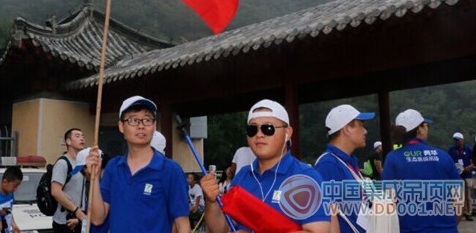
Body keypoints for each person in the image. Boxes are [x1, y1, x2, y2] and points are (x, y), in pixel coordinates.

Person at [200, 99, 330, 233]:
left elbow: (318, 231)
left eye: (268, 128)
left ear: (287, 133)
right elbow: (222, 229)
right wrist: (211, 201)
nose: (259, 135)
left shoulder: (305, 177)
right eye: (252, 129)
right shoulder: (243, 176)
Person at [86, 95, 191, 233]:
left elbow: (183, 225)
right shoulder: (113, 167)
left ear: (154, 126)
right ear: (121, 126)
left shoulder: (170, 169)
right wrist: (94, 176)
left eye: (147, 120)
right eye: (133, 120)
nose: (141, 126)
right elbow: (97, 219)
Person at [382, 109, 462, 233]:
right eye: (426, 125)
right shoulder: (443, 156)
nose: (427, 129)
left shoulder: (393, 159)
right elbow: (459, 201)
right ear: (419, 129)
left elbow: (389, 202)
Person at [314, 104, 375, 233]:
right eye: (361, 125)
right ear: (346, 129)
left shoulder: (347, 162)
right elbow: (327, 216)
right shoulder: (328, 166)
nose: (365, 131)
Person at [51, 128, 87, 232]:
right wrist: (76, 210)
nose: (82, 138)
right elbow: (55, 191)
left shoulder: (81, 163)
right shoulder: (63, 163)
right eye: (77, 136)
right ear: (68, 141)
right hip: (65, 221)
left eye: (83, 136)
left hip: (79, 219)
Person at [448, 132, 474, 221]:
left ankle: (469, 212)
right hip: (456, 175)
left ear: (462, 140)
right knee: (457, 195)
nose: (456, 142)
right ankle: (459, 212)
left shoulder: (469, 149)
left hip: (467, 175)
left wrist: (469, 167)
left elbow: (474, 162)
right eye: (455, 140)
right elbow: (449, 161)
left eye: (457, 140)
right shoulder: (451, 150)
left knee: (468, 195)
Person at [0, 165, 23, 233]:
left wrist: (13, 224)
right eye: (14, 186)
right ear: (5, 182)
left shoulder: (10, 194)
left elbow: (9, 212)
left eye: (17, 186)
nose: (15, 189)